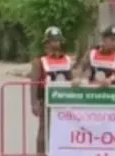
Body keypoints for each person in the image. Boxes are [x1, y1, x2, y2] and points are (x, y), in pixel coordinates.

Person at [30, 26, 73, 156]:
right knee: (44, 129)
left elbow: (71, 77)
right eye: (53, 41)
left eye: (58, 41)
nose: (56, 43)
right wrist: (34, 103)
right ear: (47, 43)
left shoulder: (67, 59)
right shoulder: (39, 61)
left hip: (64, 101)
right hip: (46, 100)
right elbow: (34, 83)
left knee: (64, 128)